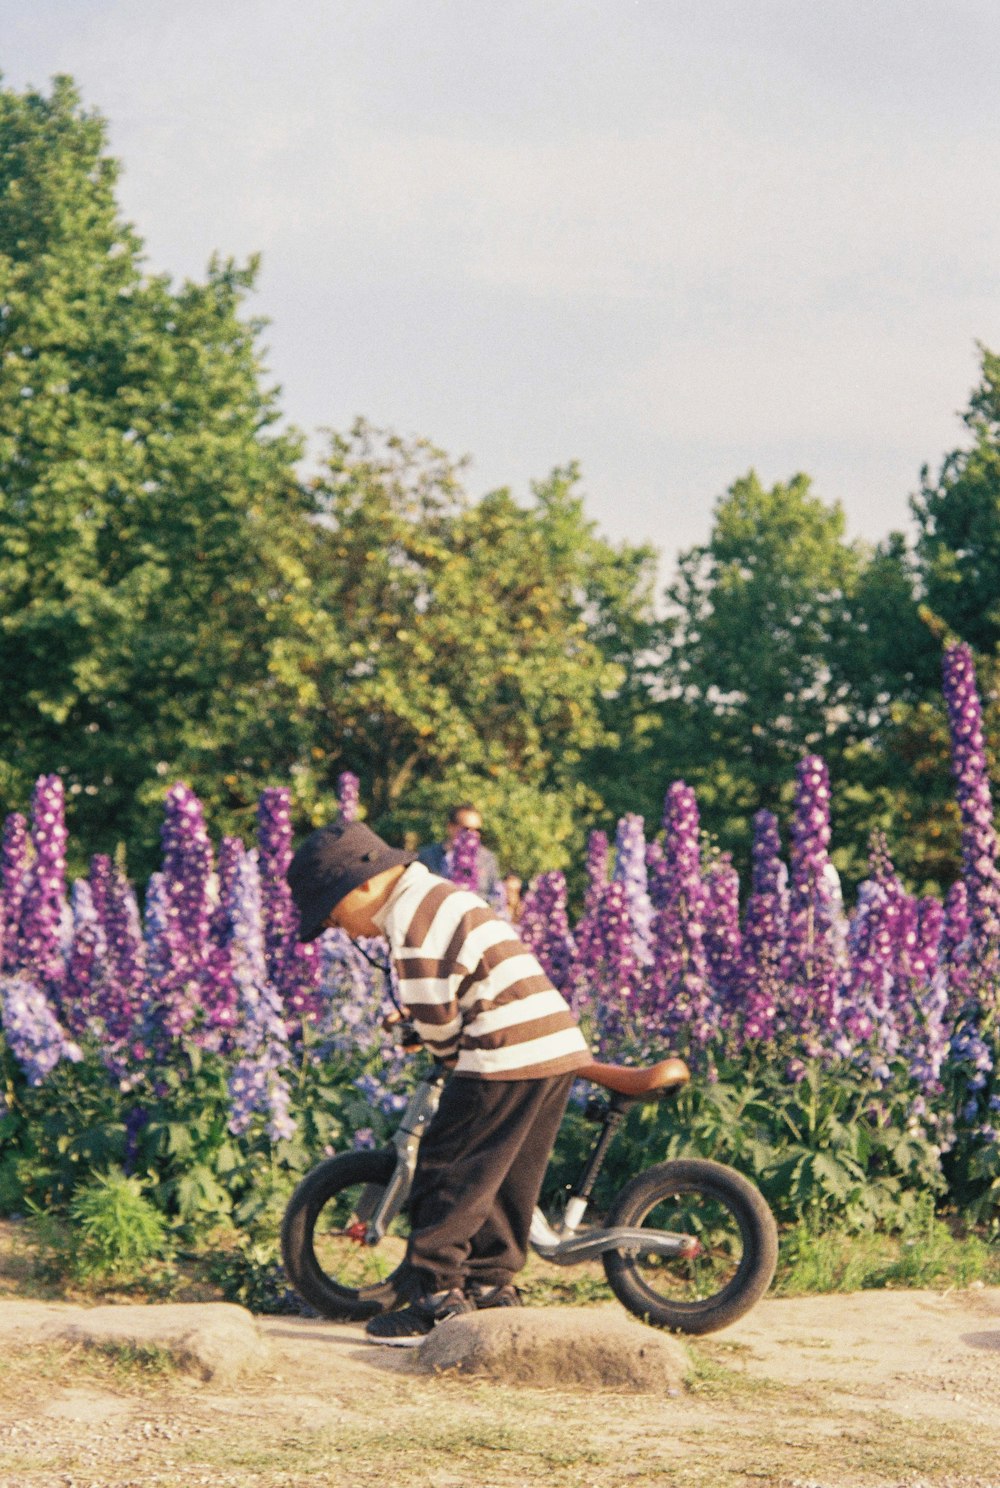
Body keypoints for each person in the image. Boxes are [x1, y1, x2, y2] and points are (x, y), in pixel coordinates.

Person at [287, 819, 590, 1347]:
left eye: (335, 917)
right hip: (553, 1046)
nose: (342, 930)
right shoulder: (440, 894)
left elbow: (433, 1009)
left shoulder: (410, 915)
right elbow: (459, 986)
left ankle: (435, 1296)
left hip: (502, 1051)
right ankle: (492, 1283)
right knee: (502, 1175)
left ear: (363, 885)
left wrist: (442, 1052)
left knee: (449, 1167)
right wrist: (430, 1028)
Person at [418, 802, 501, 899]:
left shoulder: (487, 859)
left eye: (478, 830)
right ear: (450, 827)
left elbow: (495, 897)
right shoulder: (428, 857)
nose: (473, 834)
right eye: (466, 829)